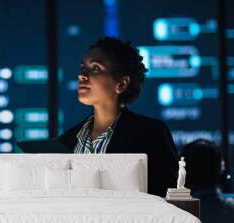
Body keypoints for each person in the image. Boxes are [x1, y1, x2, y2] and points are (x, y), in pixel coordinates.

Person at [57, 36, 178, 197]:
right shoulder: (68, 139)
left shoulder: (151, 133)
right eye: (82, 67)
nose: (82, 75)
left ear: (121, 84)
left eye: (95, 68)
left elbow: (166, 195)